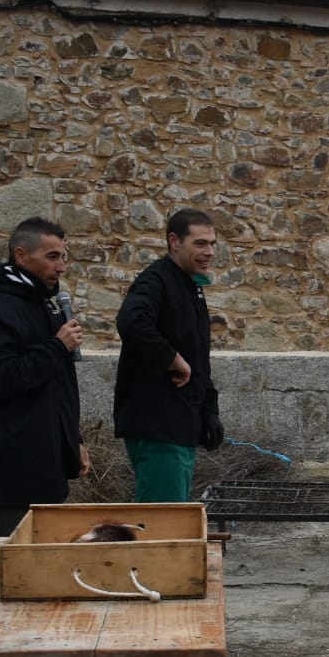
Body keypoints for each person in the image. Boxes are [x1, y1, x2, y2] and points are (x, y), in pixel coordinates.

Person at [0, 217, 89, 535]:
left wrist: (73, 439)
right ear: (21, 256)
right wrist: (57, 346)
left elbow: (54, 387)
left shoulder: (40, 304)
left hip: (45, 466)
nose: (61, 267)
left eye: (63, 257)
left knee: (43, 571)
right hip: (11, 476)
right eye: (52, 256)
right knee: (10, 571)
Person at [114, 208, 223, 502]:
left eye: (212, 244)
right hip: (158, 426)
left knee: (172, 518)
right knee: (160, 525)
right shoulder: (156, 281)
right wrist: (172, 360)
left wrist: (209, 410)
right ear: (175, 242)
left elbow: (199, 356)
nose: (209, 251)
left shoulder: (191, 286)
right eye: (200, 243)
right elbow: (131, 321)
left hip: (182, 422)